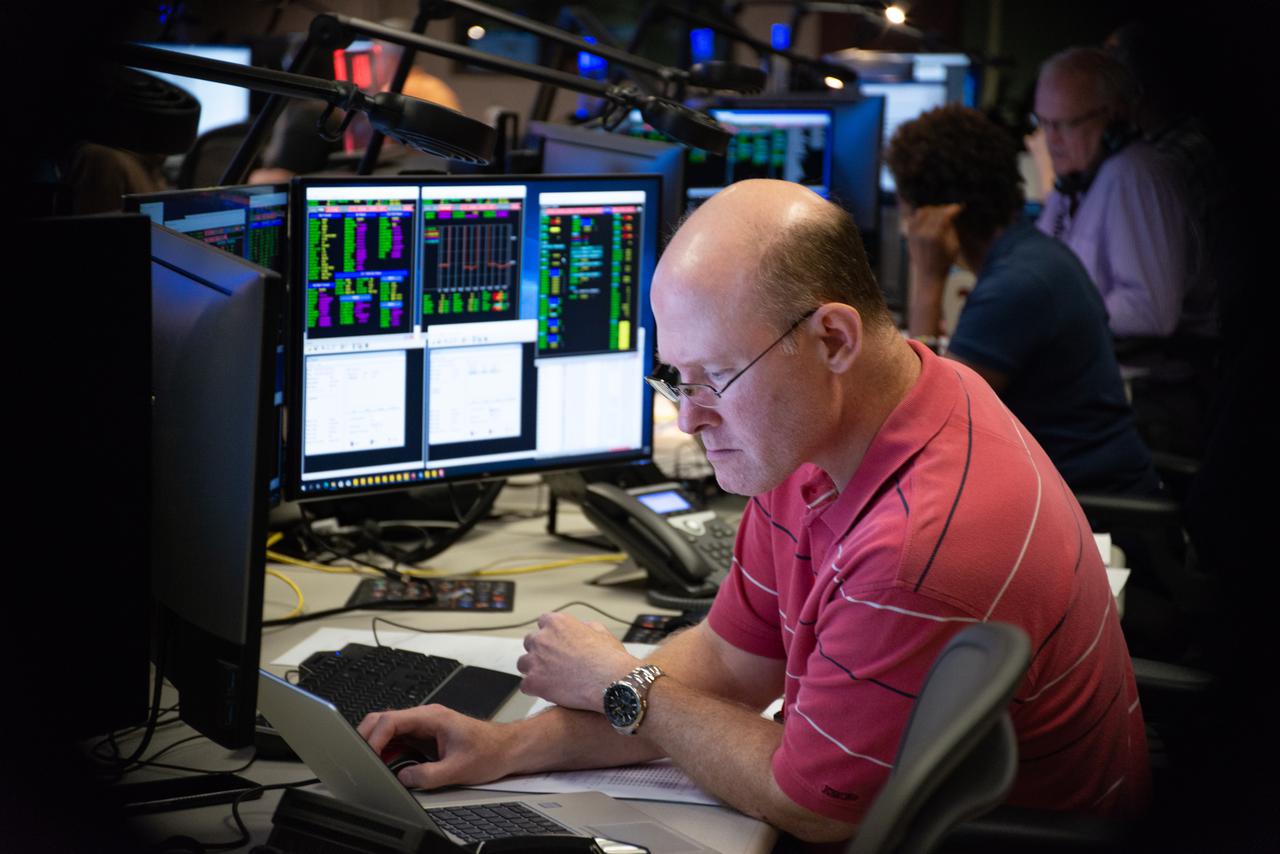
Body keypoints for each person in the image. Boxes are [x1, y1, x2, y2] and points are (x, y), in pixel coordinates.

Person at [359, 180, 1149, 842]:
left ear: (833, 339)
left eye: (715, 377)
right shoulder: (826, 429)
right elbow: (736, 662)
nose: (691, 417)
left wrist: (623, 681)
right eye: (676, 377)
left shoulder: (918, 543)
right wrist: (507, 746)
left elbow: (806, 803)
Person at [887, 104, 1157, 495]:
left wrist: (929, 278)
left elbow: (929, 429)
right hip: (1078, 492)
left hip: (1095, 509)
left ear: (933, 214)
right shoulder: (1029, 255)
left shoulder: (1015, 285)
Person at [1033, 47, 1213, 341]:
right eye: (1043, 122)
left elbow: (1149, 310)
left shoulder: (1135, 175)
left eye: (1066, 124)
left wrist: (1050, 318)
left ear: (1112, 119)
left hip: (1145, 377)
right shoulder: (1074, 180)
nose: (1051, 139)